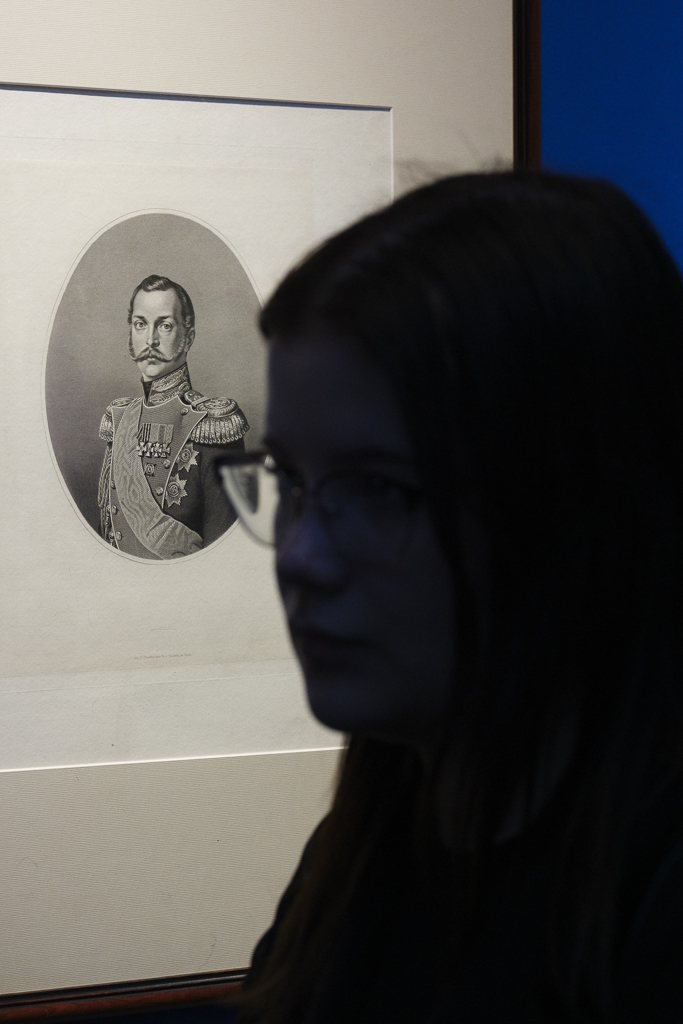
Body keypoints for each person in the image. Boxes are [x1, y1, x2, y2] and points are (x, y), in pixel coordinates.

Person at [218, 171, 683, 1022]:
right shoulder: (362, 858)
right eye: (288, 478)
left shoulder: (652, 899)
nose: (300, 557)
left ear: (568, 501)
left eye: (377, 489)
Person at [98, 274, 248, 559]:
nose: (150, 340)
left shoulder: (211, 424)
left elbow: (223, 558)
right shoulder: (118, 419)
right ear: (130, 333)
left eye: (165, 325)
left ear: (188, 338)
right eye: (140, 324)